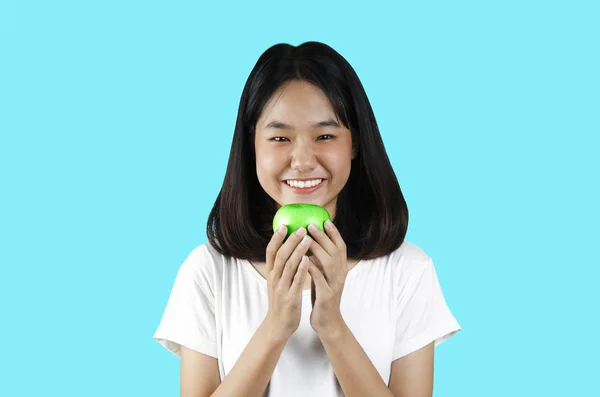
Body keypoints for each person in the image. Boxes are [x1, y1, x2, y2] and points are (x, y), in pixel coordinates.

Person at [153, 41, 461, 397]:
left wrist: (331, 325)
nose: (301, 160)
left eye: (325, 135)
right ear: (251, 144)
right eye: (280, 137)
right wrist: (276, 326)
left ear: (355, 144)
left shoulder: (407, 271)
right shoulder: (208, 271)